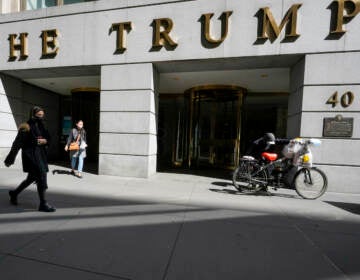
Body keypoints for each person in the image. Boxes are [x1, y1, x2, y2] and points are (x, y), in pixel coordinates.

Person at [4, 106, 56, 212]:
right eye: (39, 115)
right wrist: (10, 158)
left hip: (40, 155)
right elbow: (17, 144)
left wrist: (45, 141)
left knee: (31, 178)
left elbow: (48, 138)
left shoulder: (42, 126)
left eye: (42, 115)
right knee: (41, 175)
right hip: (31, 156)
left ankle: (14, 193)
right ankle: (43, 204)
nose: (41, 117)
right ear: (33, 114)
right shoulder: (26, 127)